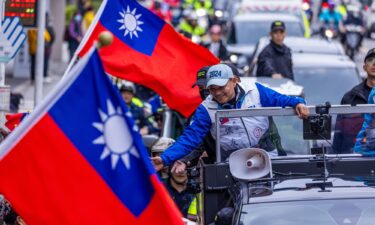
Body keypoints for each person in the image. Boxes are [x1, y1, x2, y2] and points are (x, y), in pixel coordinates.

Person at [152, 63, 309, 170]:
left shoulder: (255, 91)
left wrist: (298, 103)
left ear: (234, 81)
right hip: (231, 163)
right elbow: (190, 138)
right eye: (212, 89)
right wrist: (165, 158)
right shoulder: (205, 109)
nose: (217, 93)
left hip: (267, 155)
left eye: (221, 87)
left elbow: (282, 100)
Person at [332, 48, 375, 153]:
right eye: (371, 60)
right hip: (354, 159)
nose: (374, 64)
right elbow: (339, 136)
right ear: (364, 67)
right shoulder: (350, 97)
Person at [27, 13, 55, 83]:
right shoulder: (47, 27)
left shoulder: (32, 27)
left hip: (33, 49)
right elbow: (51, 38)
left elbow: (29, 39)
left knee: (33, 64)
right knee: (44, 63)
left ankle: (33, 79)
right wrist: (49, 45)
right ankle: (43, 77)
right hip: (44, 49)